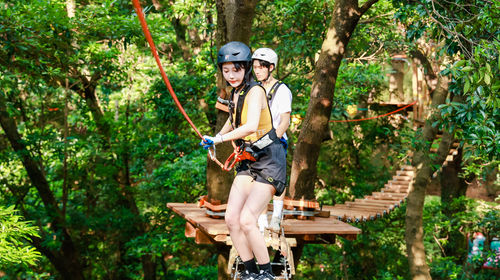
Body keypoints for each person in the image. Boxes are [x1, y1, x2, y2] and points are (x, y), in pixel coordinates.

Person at [201, 41, 286, 280]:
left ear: (246, 68)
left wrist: (219, 141)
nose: (231, 75)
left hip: (269, 161)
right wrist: (215, 137)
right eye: (226, 71)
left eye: (236, 70)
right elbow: (235, 121)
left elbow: (249, 126)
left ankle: (266, 273)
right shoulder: (235, 93)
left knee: (248, 219)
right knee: (231, 219)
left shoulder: (256, 91)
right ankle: (250, 272)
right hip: (248, 162)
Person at [252, 48, 292, 232]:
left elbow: (285, 121)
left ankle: (276, 217)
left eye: (261, 67)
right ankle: (261, 220)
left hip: (275, 140)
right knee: (257, 180)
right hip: (254, 140)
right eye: (255, 67)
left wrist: (271, 141)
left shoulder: (282, 90)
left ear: (271, 67)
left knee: (277, 181)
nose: (257, 70)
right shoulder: (253, 89)